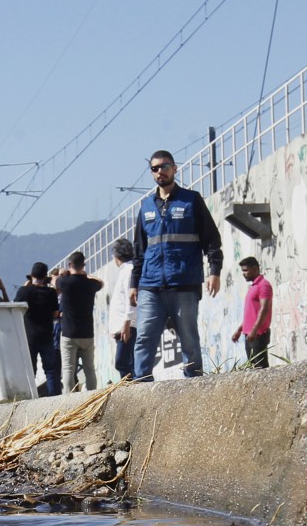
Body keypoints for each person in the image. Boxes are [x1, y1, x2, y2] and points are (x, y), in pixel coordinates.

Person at [131, 149, 222, 380]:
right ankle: (141, 384)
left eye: (164, 166)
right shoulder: (145, 206)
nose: (160, 171)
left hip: (184, 282)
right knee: (144, 337)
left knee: (189, 338)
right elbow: (139, 250)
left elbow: (211, 239)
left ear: (174, 168)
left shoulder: (191, 200)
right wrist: (134, 284)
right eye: (154, 168)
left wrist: (214, 271)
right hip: (150, 285)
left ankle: (194, 383)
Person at [57, 251, 103, 392]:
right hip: (87, 333)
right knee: (90, 369)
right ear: (83, 264)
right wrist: (86, 274)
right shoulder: (91, 284)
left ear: (70, 264)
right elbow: (101, 282)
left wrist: (62, 273)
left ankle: (68, 400)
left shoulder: (65, 282)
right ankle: (92, 397)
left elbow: (55, 282)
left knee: (68, 369)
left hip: (69, 334)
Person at [17, 262, 62, 397]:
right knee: (50, 370)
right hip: (47, 335)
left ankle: (30, 396)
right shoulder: (51, 292)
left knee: (31, 370)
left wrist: (25, 287)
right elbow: (55, 313)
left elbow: (15, 308)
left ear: (31, 275)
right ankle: (53, 396)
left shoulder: (24, 291)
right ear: (45, 276)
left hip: (29, 336)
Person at [230, 256, 272, 368]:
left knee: (261, 367)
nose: (244, 273)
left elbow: (264, 309)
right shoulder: (253, 287)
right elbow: (251, 314)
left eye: (246, 270)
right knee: (252, 367)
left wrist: (254, 330)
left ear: (255, 269)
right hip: (249, 334)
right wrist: (239, 330)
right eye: (242, 271)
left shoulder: (264, 285)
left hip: (258, 334)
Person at [106, 237, 138, 379]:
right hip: (123, 326)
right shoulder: (126, 270)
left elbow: (131, 300)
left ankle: (135, 393)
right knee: (126, 362)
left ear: (117, 255)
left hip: (128, 326)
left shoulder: (129, 270)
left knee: (125, 363)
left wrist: (126, 324)